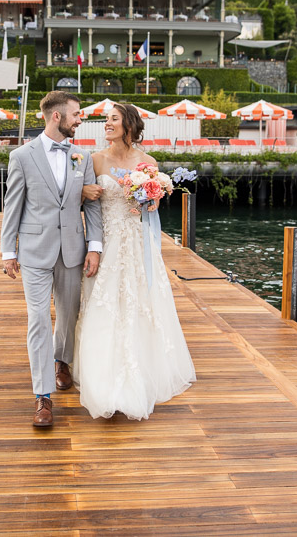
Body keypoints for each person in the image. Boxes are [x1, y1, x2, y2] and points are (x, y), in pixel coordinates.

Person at [73, 104, 196, 420]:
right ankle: (101, 373)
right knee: (105, 304)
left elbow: (150, 209)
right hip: (108, 242)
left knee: (141, 302)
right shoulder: (95, 159)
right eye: (106, 120)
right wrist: (83, 192)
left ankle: (143, 370)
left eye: (113, 119)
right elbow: (85, 201)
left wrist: (150, 199)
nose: (107, 124)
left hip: (139, 243)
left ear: (129, 125)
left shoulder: (148, 163)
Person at [0, 91, 104, 427]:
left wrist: (95, 246)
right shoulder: (22, 156)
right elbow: (12, 205)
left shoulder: (81, 157)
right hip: (34, 251)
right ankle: (42, 396)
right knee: (38, 319)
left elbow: (91, 205)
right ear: (57, 117)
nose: (80, 119)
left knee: (69, 314)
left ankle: (62, 361)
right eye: (76, 114)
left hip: (73, 249)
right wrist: (8, 251)